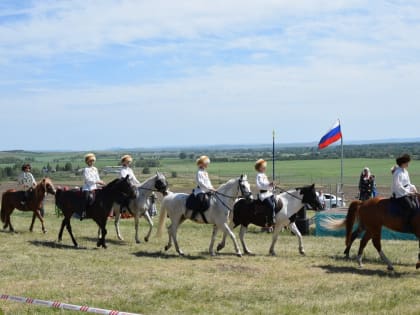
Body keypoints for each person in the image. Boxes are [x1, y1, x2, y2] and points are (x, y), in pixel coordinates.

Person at [392, 154, 418, 226]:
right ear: (403, 163)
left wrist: (414, 189)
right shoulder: (397, 173)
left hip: (406, 191)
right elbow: (398, 186)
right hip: (400, 193)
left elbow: (408, 183)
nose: (408, 164)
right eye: (407, 162)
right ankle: (405, 223)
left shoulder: (405, 171)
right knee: (410, 206)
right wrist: (408, 192)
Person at [81, 153, 105, 220]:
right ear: (87, 161)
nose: (92, 162)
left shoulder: (95, 169)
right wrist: (97, 182)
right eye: (90, 161)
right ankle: (84, 212)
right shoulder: (86, 169)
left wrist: (101, 182)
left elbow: (98, 178)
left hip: (95, 187)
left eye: (93, 161)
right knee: (87, 198)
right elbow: (88, 180)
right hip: (87, 188)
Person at [255, 159, 276, 226]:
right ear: (259, 168)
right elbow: (259, 185)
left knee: (276, 202)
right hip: (263, 195)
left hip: (269, 193)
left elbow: (267, 184)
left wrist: (272, 186)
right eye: (263, 167)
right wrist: (269, 185)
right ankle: (270, 221)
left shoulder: (264, 175)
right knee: (271, 206)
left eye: (264, 166)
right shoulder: (258, 176)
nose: (264, 168)